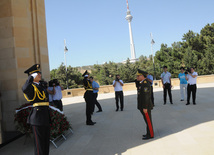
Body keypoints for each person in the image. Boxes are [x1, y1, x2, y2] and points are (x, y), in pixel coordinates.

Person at [22, 64, 50, 155]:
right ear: (33, 76)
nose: (40, 75)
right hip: (37, 118)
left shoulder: (40, 86)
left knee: (46, 143)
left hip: (45, 115)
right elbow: (24, 89)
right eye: (37, 73)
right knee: (39, 145)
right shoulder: (31, 87)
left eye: (40, 73)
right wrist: (30, 78)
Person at [136, 69, 154, 140]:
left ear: (142, 76)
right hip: (143, 106)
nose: (137, 77)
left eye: (138, 76)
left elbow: (146, 96)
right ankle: (148, 133)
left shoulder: (145, 84)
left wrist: (145, 107)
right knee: (147, 120)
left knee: (148, 120)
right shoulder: (142, 83)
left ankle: (150, 135)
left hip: (145, 107)